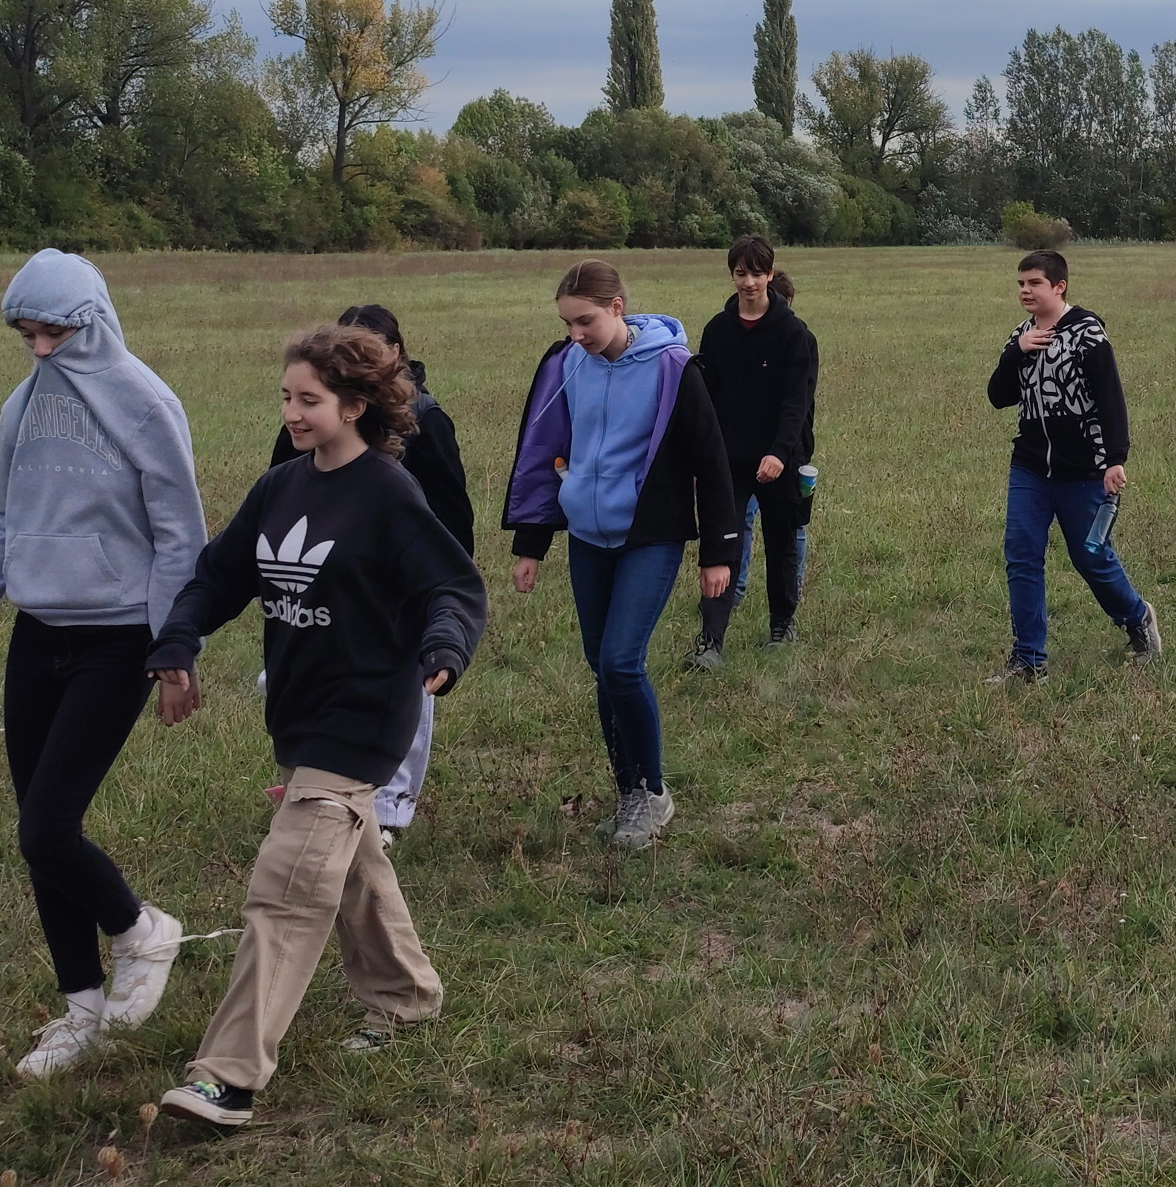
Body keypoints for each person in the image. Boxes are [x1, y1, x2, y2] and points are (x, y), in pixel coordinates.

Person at [150, 324, 486, 1128]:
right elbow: (217, 576)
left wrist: (445, 645)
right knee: (352, 862)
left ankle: (227, 1077)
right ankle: (405, 995)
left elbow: (454, 586)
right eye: (287, 398)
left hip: (364, 715)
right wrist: (178, 642)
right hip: (300, 715)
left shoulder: (388, 494)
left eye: (310, 400)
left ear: (355, 405)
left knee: (288, 887)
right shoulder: (281, 488)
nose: (293, 413)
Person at [0, 249, 207, 1080]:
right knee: (40, 835)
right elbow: (5, 523)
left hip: (117, 642)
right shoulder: (21, 407)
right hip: (36, 635)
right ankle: (80, 1010)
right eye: (28, 336)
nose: (42, 349)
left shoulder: (148, 404)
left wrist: (174, 651)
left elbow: (180, 538)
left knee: (47, 826)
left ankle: (141, 931)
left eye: (54, 332)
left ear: (93, 320)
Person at [502, 261, 739, 849]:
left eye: (585, 321)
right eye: (567, 323)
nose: (576, 334)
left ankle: (653, 793)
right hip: (587, 537)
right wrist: (531, 544)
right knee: (600, 666)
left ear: (617, 308)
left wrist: (718, 554)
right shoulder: (565, 365)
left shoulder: (673, 368)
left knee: (620, 662)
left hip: (648, 537)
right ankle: (628, 789)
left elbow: (711, 462)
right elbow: (544, 448)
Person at [267, 305, 472, 848]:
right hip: (324, 592)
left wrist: (440, 603)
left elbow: (452, 524)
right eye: (288, 398)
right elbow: (275, 513)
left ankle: (389, 808)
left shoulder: (425, 424)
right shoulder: (303, 437)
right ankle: (336, 800)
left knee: (403, 693)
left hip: (402, 595)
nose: (293, 412)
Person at [985, 249, 1162, 682]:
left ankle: (1137, 617)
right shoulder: (1022, 334)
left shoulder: (1087, 333)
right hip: (1030, 467)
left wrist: (1114, 459)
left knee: (1090, 557)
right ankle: (1029, 660)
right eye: (1021, 284)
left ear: (1059, 286)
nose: (1025, 291)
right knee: (1022, 557)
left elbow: (1110, 398)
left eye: (1034, 283)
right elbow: (998, 396)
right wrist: (1016, 353)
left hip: (1083, 469)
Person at [686, 235, 818, 669]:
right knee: (722, 544)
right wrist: (703, 457)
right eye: (741, 273)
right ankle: (710, 643)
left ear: (770, 274)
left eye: (757, 273)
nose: (749, 282)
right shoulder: (717, 330)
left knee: (782, 543)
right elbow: (707, 400)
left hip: (781, 459)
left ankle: (782, 624)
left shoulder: (794, 333)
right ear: (731, 275)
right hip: (728, 461)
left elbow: (796, 402)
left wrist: (779, 453)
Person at [730, 271, 815, 604]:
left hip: (788, 450)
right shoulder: (730, 333)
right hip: (751, 449)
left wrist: (790, 448)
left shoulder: (799, 338)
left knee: (787, 524)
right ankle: (736, 589)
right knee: (749, 518)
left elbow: (800, 400)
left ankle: (787, 588)